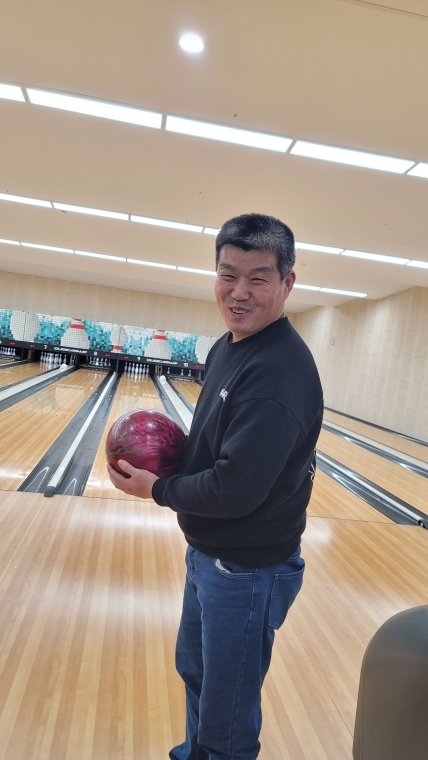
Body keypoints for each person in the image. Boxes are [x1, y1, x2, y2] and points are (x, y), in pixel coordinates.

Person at [108, 213, 323, 760]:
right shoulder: (228, 347)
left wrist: (157, 489)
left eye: (258, 278)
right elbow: (216, 445)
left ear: (287, 283)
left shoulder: (277, 374)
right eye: (228, 275)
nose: (239, 292)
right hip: (213, 553)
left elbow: (234, 490)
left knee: (226, 714)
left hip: (246, 570)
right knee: (198, 673)